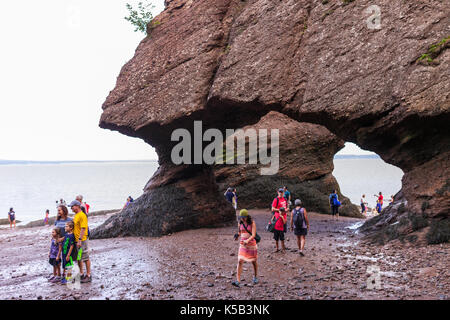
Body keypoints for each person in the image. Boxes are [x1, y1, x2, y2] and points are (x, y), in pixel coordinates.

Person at [232, 209, 258, 288]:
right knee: (240, 260)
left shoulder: (252, 223)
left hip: (251, 244)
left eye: (244, 217)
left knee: (253, 261)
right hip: (243, 244)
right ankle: (238, 280)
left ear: (247, 216)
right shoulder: (240, 223)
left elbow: (253, 235)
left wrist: (247, 240)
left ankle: (255, 276)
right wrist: (237, 236)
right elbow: (240, 232)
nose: (242, 219)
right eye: (241, 217)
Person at [69, 200, 92, 283]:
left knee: (85, 257)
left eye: (72, 206)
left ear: (77, 206)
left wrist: (79, 239)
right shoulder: (76, 215)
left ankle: (88, 275)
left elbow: (83, 228)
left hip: (82, 240)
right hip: (77, 240)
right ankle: (81, 274)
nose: (71, 208)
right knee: (79, 258)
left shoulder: (82, 215)